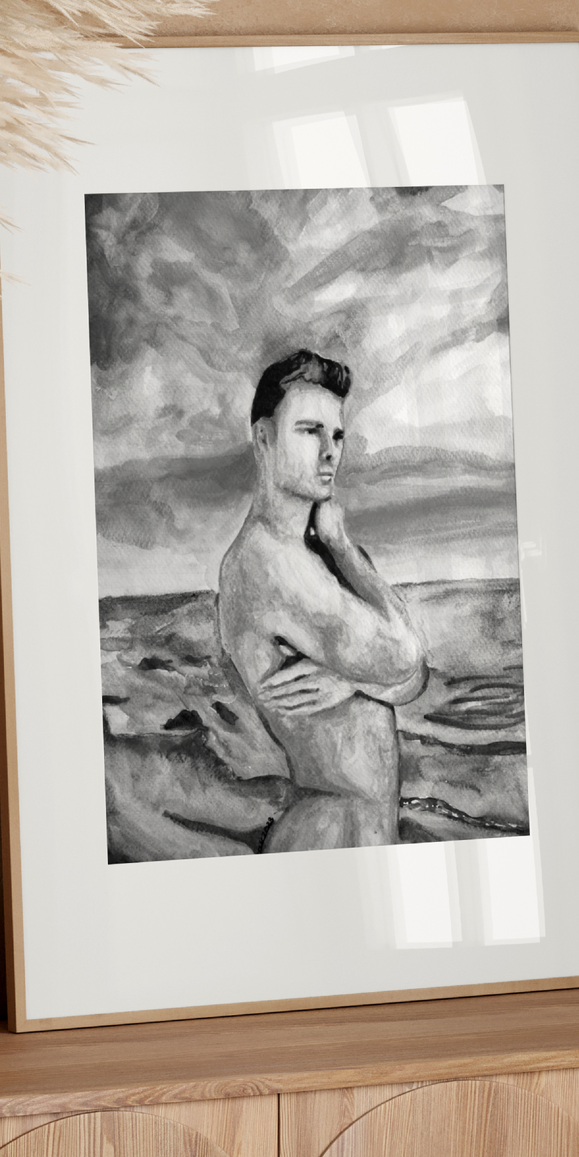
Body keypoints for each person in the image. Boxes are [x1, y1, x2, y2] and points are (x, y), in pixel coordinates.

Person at [218, 348, 427, 852]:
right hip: (324, 834)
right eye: (310, 431)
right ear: (264, 439)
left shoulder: (312, 552)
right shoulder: (269, 564)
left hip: (357, 830)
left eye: (336, 435)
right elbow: (405, 656)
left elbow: (414, 679)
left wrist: (351, 679)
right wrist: (345, 548)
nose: (330, 451)